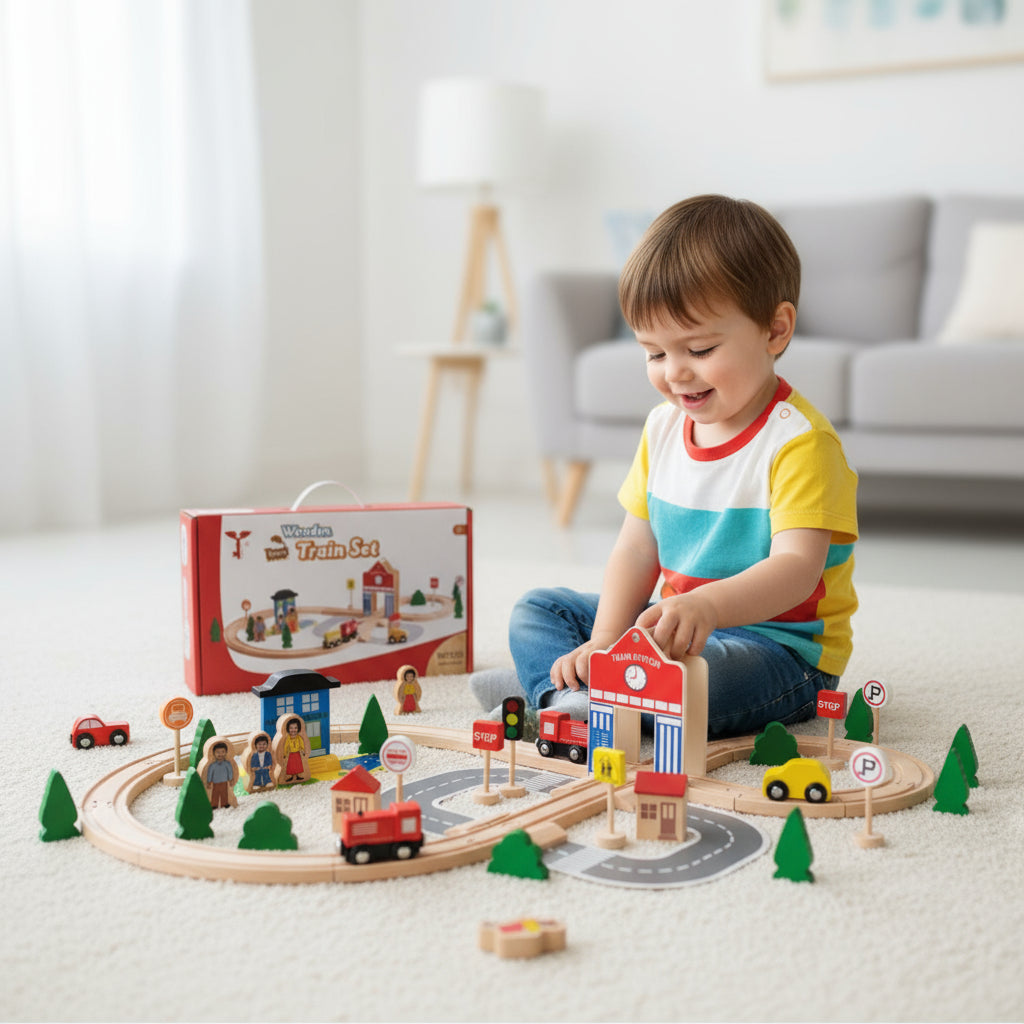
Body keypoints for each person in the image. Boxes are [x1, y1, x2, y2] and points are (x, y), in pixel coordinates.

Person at [471, 194, 858, 740]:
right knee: (541, 608)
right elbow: (637, 547)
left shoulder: (800, 443)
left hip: (779, 653)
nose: (675, 373)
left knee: (697, 676)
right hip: (674, 624)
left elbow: (797, 570)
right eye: (654, 354)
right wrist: (606, 638)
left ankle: (565, 697)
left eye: (699, 349)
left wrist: (707, 605)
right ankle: (566, 694)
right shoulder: (662, 429)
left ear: (775, 331)